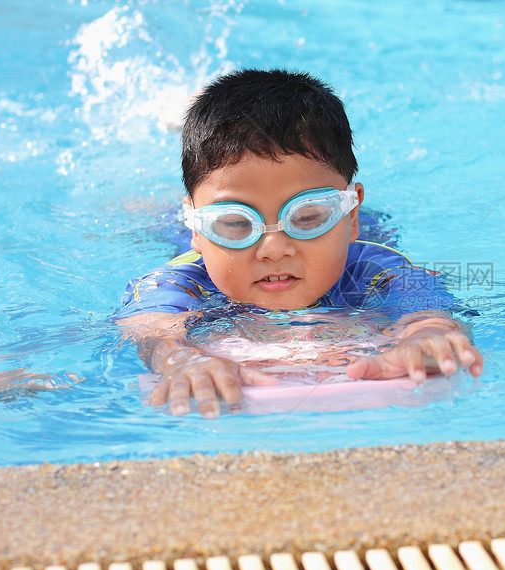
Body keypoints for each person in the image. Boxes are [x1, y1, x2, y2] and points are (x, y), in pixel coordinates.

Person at [116, 69, 483, 418]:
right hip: (185, 231)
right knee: (148, 214)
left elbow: (426, 310)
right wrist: (180, 359)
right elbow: (152, 330)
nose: (275, 249)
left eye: (307, 216)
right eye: (234, 221)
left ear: (350, 216)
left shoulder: (373, 271)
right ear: (198, 226)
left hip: (356, 233)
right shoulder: (181, 280)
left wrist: (429, 338)